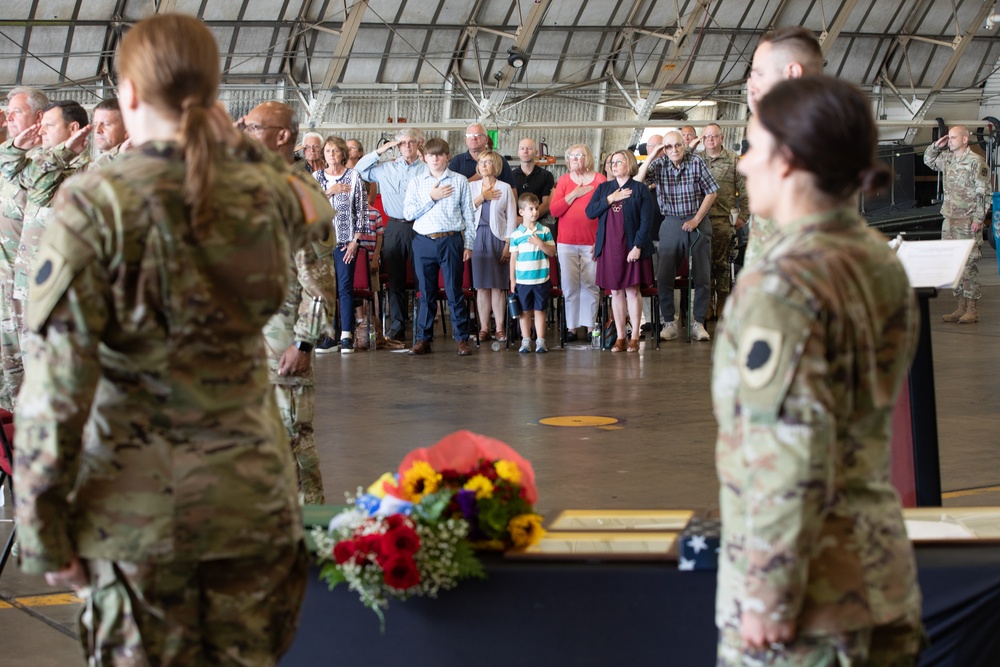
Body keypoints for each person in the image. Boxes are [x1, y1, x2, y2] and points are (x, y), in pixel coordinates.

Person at [15, 13, 330, 664]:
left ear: (128, 95)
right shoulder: (265, 190)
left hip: (139, 522)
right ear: (213, 97)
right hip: (253, 508)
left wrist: (44, 531)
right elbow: (314, 209)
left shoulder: (96, 202)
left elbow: (55, 387)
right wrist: (239, 147)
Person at [714, 75, 923, 666]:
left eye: (752, 146)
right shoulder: (876, 258)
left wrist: (769, 596)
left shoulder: (782, 285)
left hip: (810, 609)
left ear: (788, 161)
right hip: (879, 575)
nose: (744, 163)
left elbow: (790, 452)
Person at [242, 100, 338, 504]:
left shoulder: (300, 191)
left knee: (293, 439)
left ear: (283, 136)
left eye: (253, 127)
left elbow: (319, 280)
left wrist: (304, 343)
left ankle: (310, 532)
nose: (244, 134)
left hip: (284, 339)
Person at [743, 26, 824, 265]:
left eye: (759, 73)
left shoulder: (817, 130)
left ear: (791, 72)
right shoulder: (789, 124)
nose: (751, 82)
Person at [637, 130, 718, 342]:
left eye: (678, 145)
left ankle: (698, 323)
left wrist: (696, 219)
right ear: (663, 148)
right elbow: (637, 181)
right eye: (669, 147)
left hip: (697, 219)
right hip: (671, 221)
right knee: (664, 275)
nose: (674, 150)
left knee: (702, 275)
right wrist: (652, 157)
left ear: (684, 145)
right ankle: (669, 323)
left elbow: (712, 192)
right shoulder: (659, 165)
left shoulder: (697, 162)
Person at [403, 137, 477, 356]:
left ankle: (462, 339)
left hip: (451, 239)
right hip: (424, 240)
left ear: (447, 157)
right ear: (424, 157)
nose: (434, 159)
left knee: (454, 291)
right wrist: (431, 197)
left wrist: (469, 244)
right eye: (430, 155)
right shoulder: (416, 182)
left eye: (439, 154)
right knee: (426, 293)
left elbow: (469, 216)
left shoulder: (460, 181)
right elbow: (408, 214)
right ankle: (423, 339)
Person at [0, 86, 49, 409]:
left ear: (39, 117)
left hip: (27, 287)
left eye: (15, 111)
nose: (8, 117)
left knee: (31, 371)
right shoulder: (7, 155)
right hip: (4, 284)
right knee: (7, 372)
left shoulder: (46, 162)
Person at [356, 128, 426, 343]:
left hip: (420, 226)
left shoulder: (426, 169)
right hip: (394, 227)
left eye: (411, 142)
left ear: (418, 144)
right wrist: (382, 150)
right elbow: (358, 170)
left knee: (422, 279)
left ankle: (423, 327)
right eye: (402, 142)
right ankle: (397, 326)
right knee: (395, 281)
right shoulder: (386, 168)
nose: (407, 146)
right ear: (397, 146)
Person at [586, 150, 655, 352]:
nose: (614, 165)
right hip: (609, 247)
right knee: (615, 291)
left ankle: (634, 336)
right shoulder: (604, 188)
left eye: (618, 161)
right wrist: (611, 198)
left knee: (632, 290)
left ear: (629, 163)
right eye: (611, 162)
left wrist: (638, 247)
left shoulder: (640, 189)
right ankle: (620, 336)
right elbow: (590, 212)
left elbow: (646, 222)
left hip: (632, 246)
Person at [924, 125, 990, 323]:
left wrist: (979, 219)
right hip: (950, 219)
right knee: (955, 265)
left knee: (969, 264)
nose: (949, 140)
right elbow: (928, 160)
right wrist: (936, 145)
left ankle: (972, 309)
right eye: (949, 137)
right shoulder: (948, 159)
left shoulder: (976, 162)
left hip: (968, 221)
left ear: (964, 140)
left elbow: (984, 193)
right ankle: (960, 307)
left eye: (953, 138)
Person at [313, 135, 370, 353]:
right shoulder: (316, 177)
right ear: (323, 155)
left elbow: (362, 212)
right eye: (328, 151)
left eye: (336, 151)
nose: (332, 155)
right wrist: (330, 191)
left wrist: (356, 241)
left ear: (343, 154)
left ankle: (346, 335)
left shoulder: (354, 177)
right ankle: (330, 336)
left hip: (346, 243)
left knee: (345, 288)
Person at [550, 144, 606, 341]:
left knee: (591, 284)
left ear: (588, 158)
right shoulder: (564, 181)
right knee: (570, 285)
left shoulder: (600, 180)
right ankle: (571, 327)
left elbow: (605, 212)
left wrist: (600, 240)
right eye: (572, 156)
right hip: (566, 242)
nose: (575, 159)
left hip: (591, 241)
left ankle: (591, 327)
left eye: (579, 155)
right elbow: (555, 211)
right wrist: (574, 194)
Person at [700, 123, 749, 320]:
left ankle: (721, 303)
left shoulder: (734, 161)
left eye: (714, 136)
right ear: (702, 140)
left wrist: (744, 215)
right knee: (704, 266)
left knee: (722, 266)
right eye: (707, 136)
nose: (710, 139)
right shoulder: (696, 160)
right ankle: (706, 305)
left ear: (721, 138)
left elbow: (745, 191)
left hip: (723, 220)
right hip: (700, 220)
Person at [470, 150, 517, 343]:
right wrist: (484, 196)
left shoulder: (505, 188)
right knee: (481, 287)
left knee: (498, 286)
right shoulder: (471, 186)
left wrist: (509, 243)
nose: (484, 165)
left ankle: (499, 328)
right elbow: (464, 209)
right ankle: (484, 328)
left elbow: (512, 217)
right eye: (481, 162)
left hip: (498, 238)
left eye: (488, 162)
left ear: (495, 165)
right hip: (476, 237)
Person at [509, 193, 556, 353]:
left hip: (541, 279)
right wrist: (512, 280)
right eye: (531, 208)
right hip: (523, 280)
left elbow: (551, 252)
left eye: (536, 208)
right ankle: (526, 340)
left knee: (540, 310)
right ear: (521, 212)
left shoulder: (545, 231)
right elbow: (513, 259)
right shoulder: (516, 235)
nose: (535, 212)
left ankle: (541, 341)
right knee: (524, 311)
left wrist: (540, 243)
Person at [449, 122, 516, 189]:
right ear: (466, 139)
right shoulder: (457, 161)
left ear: (486, 140)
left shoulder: (499, 160)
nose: (473, 137)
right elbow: (451, 189)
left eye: (477, 134)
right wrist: (480, 175)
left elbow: (511, 189)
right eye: (469, 135)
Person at [512, 137, 555, 237]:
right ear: (518, 152)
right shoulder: (511, 176)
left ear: (536, 152)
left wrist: (529, 218)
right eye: (522, 148)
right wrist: (519, 219)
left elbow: (546, 203)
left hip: (539, 223)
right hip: (516, 223)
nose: (525, 151)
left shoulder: (546, 176)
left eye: (529, 148)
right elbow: (509, 202)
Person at [90, 97, 129, 167]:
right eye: (95, 124)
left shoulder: (137, 164)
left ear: (128, 129)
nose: (98, 130)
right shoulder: (94, 163)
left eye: (106, 124)